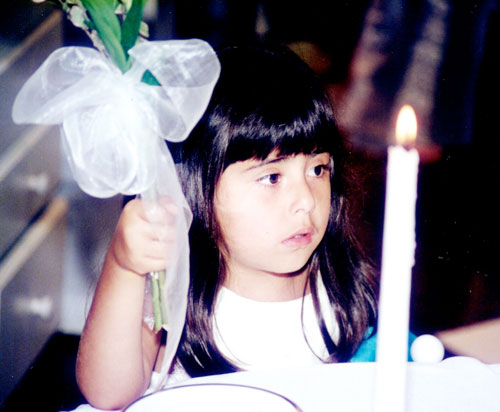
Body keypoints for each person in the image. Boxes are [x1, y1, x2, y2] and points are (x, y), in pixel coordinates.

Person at [74, 45, 379, 411]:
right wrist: (124, 267)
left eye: (318, 169)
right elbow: (107, 394)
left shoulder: (334, 282)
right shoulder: (175, 297)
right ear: (199, 187)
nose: (307, 201)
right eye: (272, 177)